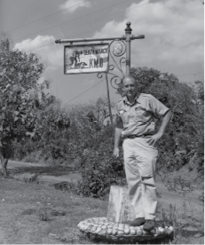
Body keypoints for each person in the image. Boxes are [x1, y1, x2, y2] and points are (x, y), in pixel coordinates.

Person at [113, 75, 172, 231]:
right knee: (132, 181)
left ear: (136, 86)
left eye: (132, 85)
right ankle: (139, 215)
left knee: (147, 180)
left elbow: (166, 112)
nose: (130, 88)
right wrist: (116, 146)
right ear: (122, 88)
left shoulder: (148, 99)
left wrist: (160, 133)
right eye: (126, 86)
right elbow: (118, 126)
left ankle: (150, 217)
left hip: (145, 142)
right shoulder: (120, 104)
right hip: (128, 143)